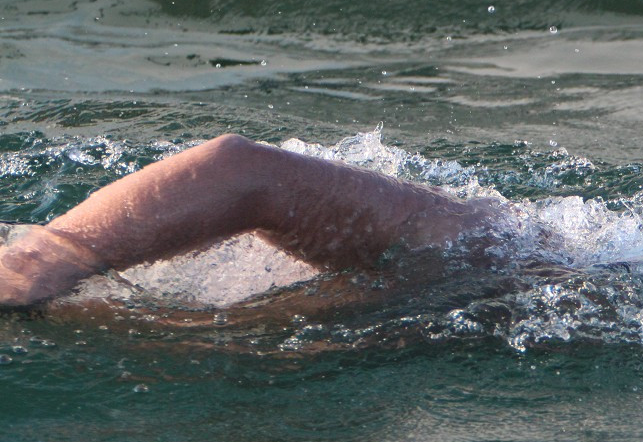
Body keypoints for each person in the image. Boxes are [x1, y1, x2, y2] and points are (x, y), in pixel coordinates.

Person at [0, 133, 501, 307]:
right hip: (471, 259)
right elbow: (243, 170)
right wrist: (27, 268)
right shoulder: (480, 249)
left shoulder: (458, 318)